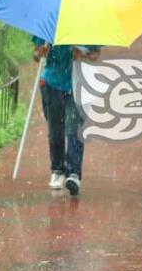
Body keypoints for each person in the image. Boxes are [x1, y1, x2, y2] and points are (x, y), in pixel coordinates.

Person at [32, 36, 100, 196]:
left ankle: (74, 174)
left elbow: (95, 53)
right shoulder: (49, 22)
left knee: (74, 129)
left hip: (77, 84)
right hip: (51, 83)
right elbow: (35, 54)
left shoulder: (86, 26)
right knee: (55, 130)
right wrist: (41, 52)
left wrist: (82, 54)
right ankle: (57, 170)